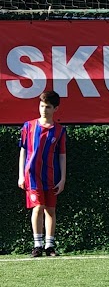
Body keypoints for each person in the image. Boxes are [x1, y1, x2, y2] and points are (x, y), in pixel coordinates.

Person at [17, 90, 67, 257]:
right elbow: (23, 151)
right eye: (42, 105)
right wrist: (21, 174)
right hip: (32, 174)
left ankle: (49, 246)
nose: (44, 109)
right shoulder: (28, 126)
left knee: (50, 210)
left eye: (48, 107)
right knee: (38, 207)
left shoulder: (59, 131)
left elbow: (62, 156)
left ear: (55, 109)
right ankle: (37, 245)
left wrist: (63, 178)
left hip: (51, 176)